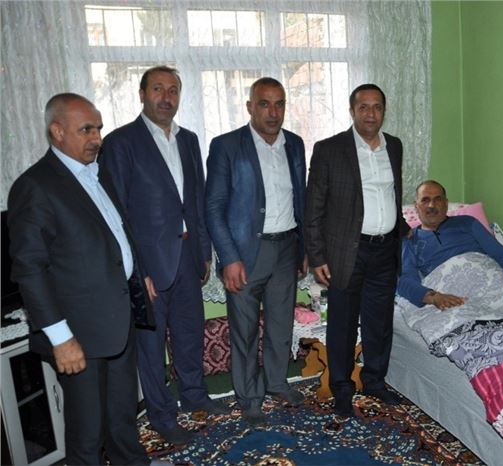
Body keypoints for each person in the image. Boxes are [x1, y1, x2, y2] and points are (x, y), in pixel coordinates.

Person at [7, 93, 163, 465]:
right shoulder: (35, 186)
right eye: (86, 130)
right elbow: (29, 269)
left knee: (123, 419)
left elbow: (117, 233)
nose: (97, 138)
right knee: (87, 435)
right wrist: (61, 339)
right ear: (57, 131)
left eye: (99, 129)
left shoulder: (97, 172)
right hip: (78, 336)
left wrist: (138, 276)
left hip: (118, 322)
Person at [100, 66, 228, 447]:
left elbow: (197, 200)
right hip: (149, 266)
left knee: (189, 335)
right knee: (151, 349)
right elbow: (116, 212)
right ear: (142, 94)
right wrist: (136, 271)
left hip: (188, 258)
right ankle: (162, 416)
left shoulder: (188, 140)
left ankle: (195, 396)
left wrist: (204, 252)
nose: (166, 97)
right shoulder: (120, 143)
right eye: (157, 89)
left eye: (173, 90)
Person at [205, 77, 307, 426]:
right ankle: (249, 397)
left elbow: (301, 197)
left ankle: (277, 383)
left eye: (279, 104)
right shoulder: (226, 146)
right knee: (245, 330)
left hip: (287, 247)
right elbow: (214, 206)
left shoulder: (295, 144)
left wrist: (304, 247)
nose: (273, 112)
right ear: (250, 106)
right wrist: (229, 257)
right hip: (247, 253)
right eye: (264, 103)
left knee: (281, 324)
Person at [304, 83, 409, 416]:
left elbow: (391, 194)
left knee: (379, 323)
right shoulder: (329, 149)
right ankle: (342, 388)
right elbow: (313, 208)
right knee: (343, 325)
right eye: (363, 107)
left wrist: (403, 232)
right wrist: (317, 256)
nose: (370, 114)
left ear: (384, 111)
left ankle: (374, 382)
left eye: (377, 107)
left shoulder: (394, 146)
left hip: (385, 251)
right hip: (347, 252)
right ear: (352, 111)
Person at [397, 180, 503, 308]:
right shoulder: (410, 240)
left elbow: (498, 251)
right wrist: (432, 297)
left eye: (438, 199)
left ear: (446, 203)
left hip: (491, 282)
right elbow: (405, 280)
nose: (431, 205)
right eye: (425, 200)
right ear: (416, 206)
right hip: (450, 296)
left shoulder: (467, 223)